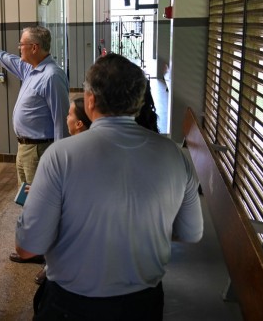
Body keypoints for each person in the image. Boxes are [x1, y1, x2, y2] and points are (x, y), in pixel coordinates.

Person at [15, 53, 204, 320]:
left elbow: (27, 247)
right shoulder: (173, 154)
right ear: (138, 101)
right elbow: (191, 232)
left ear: (90, 100)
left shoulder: (60, 156)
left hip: (71, 304)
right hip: (143, 304)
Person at [0, 26, 70, 264]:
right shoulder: (31, 69)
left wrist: (59, 160)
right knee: (27, 199)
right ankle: (34, 246)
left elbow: (61, 120)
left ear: (35, 48)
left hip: (40, 150)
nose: (18, 48)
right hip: (26, 149)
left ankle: (47, 255)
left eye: (22, 44)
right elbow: (3, 57)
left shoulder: (51, 76)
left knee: (41, 202)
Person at [33, 96, 93, 285]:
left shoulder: (72, 154)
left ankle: (52, 265)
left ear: (79, 123)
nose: (65, 118)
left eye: (69, 115)